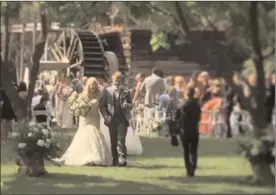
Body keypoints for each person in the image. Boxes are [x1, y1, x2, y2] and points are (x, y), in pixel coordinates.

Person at [54, 77, 112, 166]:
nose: (94, 86)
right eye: (92, 85)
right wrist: (79, 109)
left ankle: (95, 157)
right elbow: (74, 104)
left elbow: (102, 107)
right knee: (87, 135)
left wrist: (106, 116)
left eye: (95, 85)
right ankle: (88, 157)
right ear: (88, 85)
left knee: (95, 135)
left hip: (94, 117)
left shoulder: (100, 95)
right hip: (85, 118)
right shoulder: (82, 95)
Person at [99, 71, 135, 166]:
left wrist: (127, 105)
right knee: (113, 140)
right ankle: (115, 158)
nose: (116, 82)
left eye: (118, 81)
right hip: (111, 119)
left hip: (122, 118)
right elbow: (102, 106)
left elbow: (132, 105)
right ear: (112, 80)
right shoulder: (107, 91)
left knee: (121, 138)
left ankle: (122, 158)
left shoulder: (126, 91)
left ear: (121, 81)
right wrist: (106, 116)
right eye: (115, 80)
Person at [176, 87, 201, 177]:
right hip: (194, 129)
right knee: (193, 150)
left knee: (186, 151)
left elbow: (177, 118)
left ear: (186, 94)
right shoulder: (197, 106)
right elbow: (199, 118)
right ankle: (193, 168)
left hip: (184, 131)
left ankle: (188, 169)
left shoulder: (181, 105)